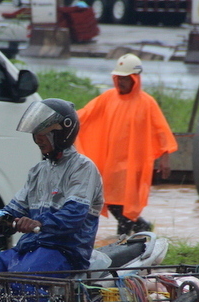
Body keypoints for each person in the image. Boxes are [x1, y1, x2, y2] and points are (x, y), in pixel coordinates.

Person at [0, 98, 104, 302]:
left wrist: (39, 223)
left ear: (62, 133)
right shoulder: (38, 171)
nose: (38, 139)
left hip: (64, 252)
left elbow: (74, 216)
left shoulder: (82, 168)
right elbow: (13, 210)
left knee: (21, 281)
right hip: (30, 248)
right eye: (36, 134)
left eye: (44, 133)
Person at [76, 53, 178, 236]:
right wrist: (63, 119)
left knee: (127, 204)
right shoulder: (108, 97)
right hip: (111, 163)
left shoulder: (147, 103)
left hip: (134, 165)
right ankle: (140, 228)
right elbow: (86, 115)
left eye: (125, 78)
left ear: (135, 79)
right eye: (118, 78)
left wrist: (165, 160)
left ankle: (122, 242)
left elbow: (161, 131)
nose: (120, 82)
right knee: (108, 199)